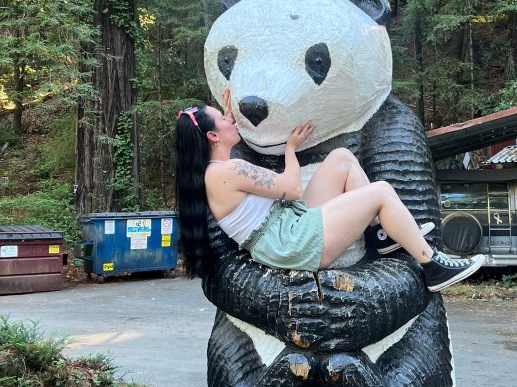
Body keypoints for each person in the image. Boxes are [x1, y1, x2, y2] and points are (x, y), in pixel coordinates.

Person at [174, 91, 485, 291]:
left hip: (285, 229)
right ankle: (433, 266)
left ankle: (384, 234)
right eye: (224, 119)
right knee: (380, 191)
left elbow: (223, 138)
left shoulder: (215, 171)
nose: (231, 120)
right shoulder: (228, 172)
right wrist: (291, 148)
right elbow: (292, 188)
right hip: (291, 241)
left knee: (341, 159)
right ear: (213, 136)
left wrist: (226, 112)